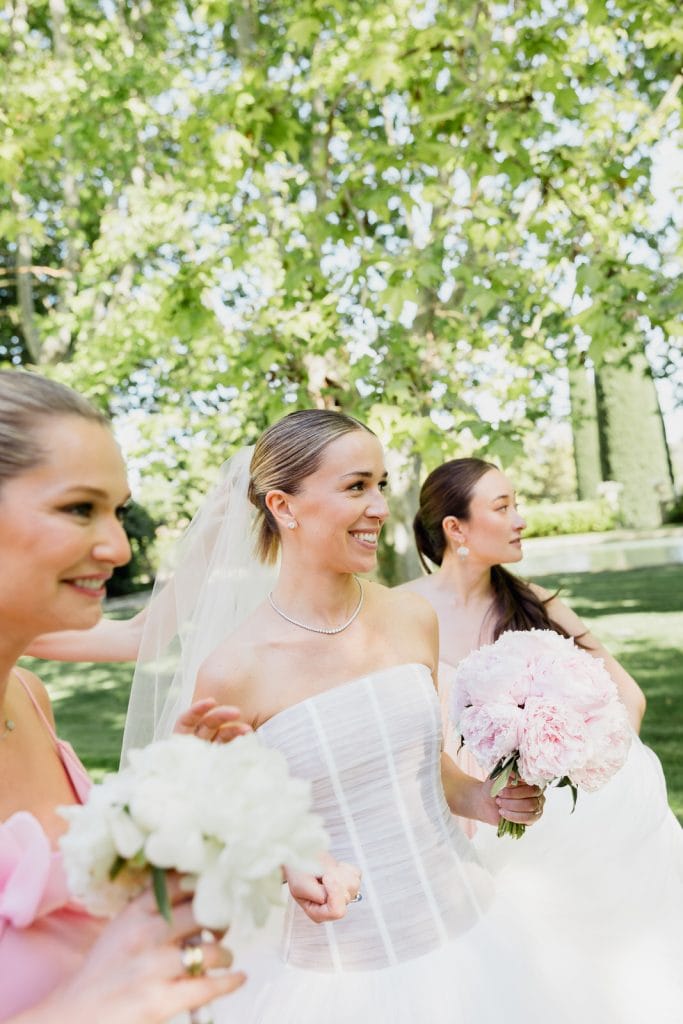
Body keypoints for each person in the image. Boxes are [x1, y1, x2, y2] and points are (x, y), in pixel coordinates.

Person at [125, 407, 604, 1024]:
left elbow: (426, 766)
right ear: (284, 506)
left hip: (471, 932)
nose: (380, 506)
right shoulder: (233, 670)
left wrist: (484, 799)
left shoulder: (410, 619)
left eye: (380, 484)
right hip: (338, 977)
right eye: (356, 487)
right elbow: (196, 837)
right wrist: (284, 862)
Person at [0, 369, 247, 1022]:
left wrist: (167, 802)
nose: (115, 546)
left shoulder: (29, 697)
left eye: (117, 510)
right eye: (79, 507)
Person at [401, 456, 683, 1021]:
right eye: (502, 507)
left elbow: (627, 696)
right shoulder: (403, 614)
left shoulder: (535, 603)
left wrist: (578, 763)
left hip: (548, 814)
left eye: (516, 504)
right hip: (451, 820)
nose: (520, 519)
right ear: (455, 529)